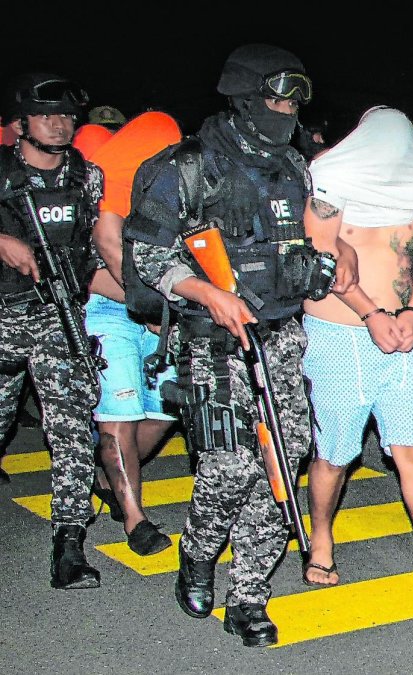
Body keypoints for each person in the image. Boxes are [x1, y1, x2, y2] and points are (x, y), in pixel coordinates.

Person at [125, 43, 331, 647]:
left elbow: (295, 244)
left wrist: (314, 268)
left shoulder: (292, 166)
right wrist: (205, 291)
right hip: (213, 343)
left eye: (295, 101)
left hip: (282, 338)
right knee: (229, 467)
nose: (286, 110)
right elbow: (147, 253)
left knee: (280, 464)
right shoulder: (187, 167)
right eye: (275, 98)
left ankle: (248, 597)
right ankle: (198, 549)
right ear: (243, 99)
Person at [301, 105, 413, 605]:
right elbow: (319, 254)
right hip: (340, 335)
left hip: (402, 337)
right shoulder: (333, 178)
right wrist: (370, 314)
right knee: (335, 456)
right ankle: (320, 538)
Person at [0, 72, 103, 589]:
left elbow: (98, 251)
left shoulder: (88, 176)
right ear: (21, 122)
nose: (59, 125)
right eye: (46, 115)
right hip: (2, 315)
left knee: (70, 428)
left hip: (56, 316)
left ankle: (69, 543)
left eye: (66, 115)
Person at [83, 110, 183, 556]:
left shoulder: (167, 190)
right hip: (108, 308)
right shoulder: (95, 189)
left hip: (163, 310)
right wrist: (142, 304)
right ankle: (135, 521)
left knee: (165, 410)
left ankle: (107, 476)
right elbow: (89, 266)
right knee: (119, 409)